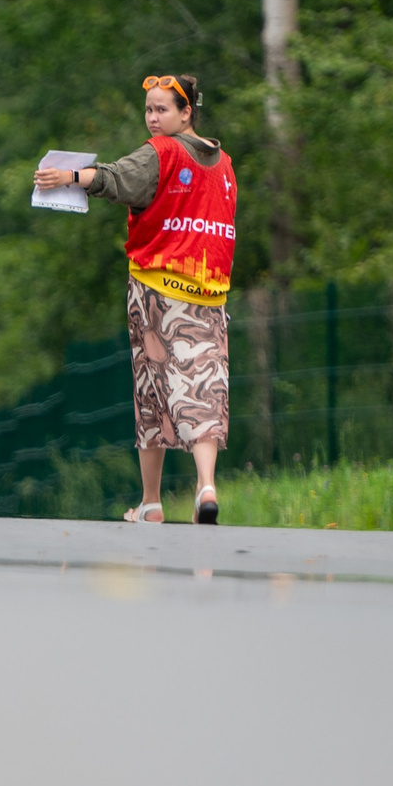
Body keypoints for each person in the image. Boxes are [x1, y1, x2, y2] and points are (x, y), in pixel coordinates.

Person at [32, 74, 236, 524]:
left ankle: (151, 501)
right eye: (148, 109)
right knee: (204, 385)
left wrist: (68, 177)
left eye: (162, 109)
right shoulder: (224, 166)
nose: (152, 118)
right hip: (210, 294)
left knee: (151, 388)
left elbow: (116, 179)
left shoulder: (161, 152)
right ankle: (204, 485)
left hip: (158, 291)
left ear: (186, 113)